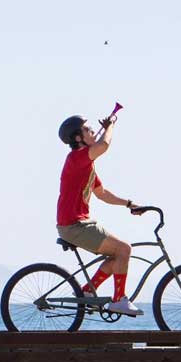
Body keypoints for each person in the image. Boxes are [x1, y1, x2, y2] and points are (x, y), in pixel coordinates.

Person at [56, 110, 143, 316]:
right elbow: (104, 145)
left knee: (118, 255)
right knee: (124, 249)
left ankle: (87, 291)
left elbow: (102, 194)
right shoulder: (77, 159)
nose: (93, 131)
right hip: (74, 225)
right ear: (78, 138)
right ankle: (119, 300)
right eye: (88, 129)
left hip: (79, 224)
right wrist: (111, 124)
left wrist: (129, 204)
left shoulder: (85, 165)